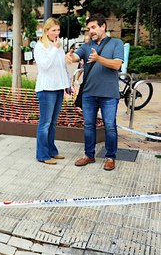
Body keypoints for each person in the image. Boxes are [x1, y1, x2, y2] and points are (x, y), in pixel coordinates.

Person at [66, 13, 124, 171]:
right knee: (89, 126)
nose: (91, 31)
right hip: (89, 94)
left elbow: (117, 65)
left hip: (109, 95)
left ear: (103, 26)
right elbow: (76, 57)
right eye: (88, 28)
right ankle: (89, 155)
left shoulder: (116, 43)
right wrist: (70, 57)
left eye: (93, 27)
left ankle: (110, 157)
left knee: (110, 126)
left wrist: (99, 59)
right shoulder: (86, 46)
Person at [34, 17, 70, 165]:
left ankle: (52, 151)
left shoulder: (58, 45)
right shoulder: (40, 46)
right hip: (46, 88)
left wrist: (67, 84)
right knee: (45, 123)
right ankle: (42, 155)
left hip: (58, 88)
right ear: (46, 31)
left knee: (53, 122)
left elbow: (62, 66)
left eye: (58, 30)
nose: (57, 33)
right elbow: (45, 66)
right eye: (53, 30)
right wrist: (55, 49)